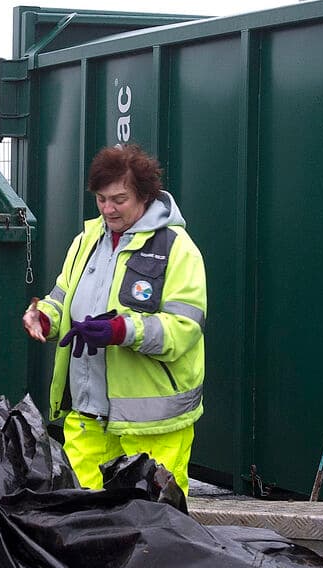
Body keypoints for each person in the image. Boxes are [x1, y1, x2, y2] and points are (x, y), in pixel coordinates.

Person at [22, 143, 208, 491]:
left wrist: (122, 330)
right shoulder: (86, 241)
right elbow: (62, 298)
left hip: (154, 424)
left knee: (155, 524)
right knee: (78, 515)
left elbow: (184, 330)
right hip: (88, 414)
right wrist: (44, 317)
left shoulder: (177, 248)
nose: (108, 208)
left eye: (119, 199)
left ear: (146, 195)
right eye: (101, 199)